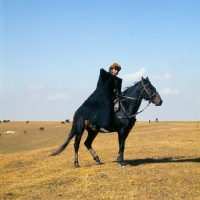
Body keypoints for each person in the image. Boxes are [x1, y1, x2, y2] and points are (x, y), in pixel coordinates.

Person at [76, 62, 122, 131]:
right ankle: (95, 123)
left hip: (113, 97)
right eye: (115, 69)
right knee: (106, 104)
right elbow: (102, 86)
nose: (116, 71)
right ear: (111, 69)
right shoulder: (105, 75)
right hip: (102, 95)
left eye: (118, 70)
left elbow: (119, 91)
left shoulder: (118, 80)